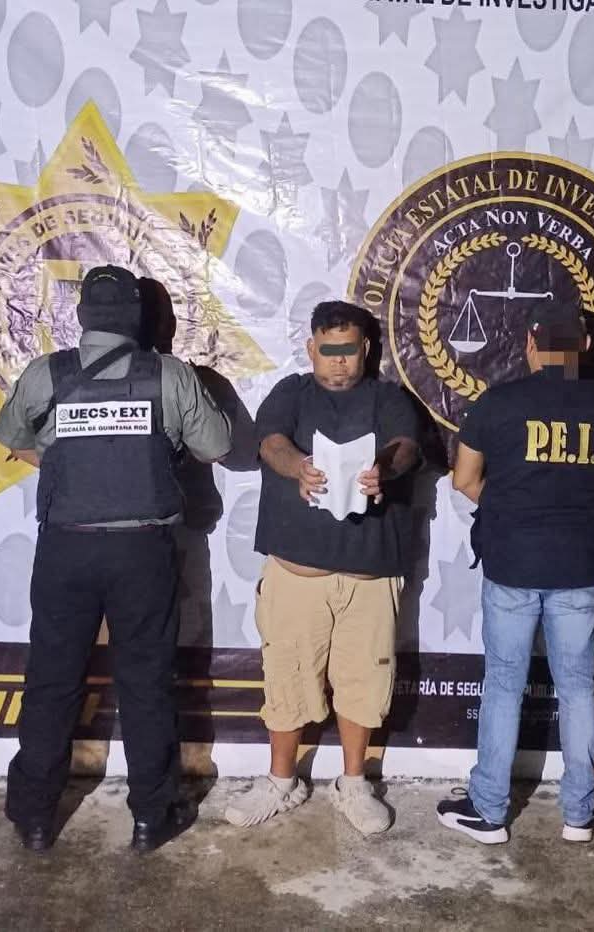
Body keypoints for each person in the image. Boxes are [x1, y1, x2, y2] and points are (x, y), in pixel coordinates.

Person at [0, 266, 232, 854]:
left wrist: (59, 453)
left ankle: (35, 818)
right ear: (137, 318)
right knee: (146, 684)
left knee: (51, 681)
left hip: (66, 547)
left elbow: (10, 435)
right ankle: (152, 816)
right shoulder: (169, 374)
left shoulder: (47, 373)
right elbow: (217, 446)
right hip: (141, 550)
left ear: (83, 317)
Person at [435, 304, 594, 845]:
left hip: (513, 563)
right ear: (583, 347)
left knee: (504, 685)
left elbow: (464, 479)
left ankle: (489, 810)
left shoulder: (497, 403)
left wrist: (511, 508)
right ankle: (579, 814)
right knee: (578, 688)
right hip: (581, 566)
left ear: (530, 343)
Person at [224, 300, 421, 836]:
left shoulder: (388, 398)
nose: (338, 361)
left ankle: (353, 783)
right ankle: (280, 782)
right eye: (328, 350)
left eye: (348, 350)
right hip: (297, 575)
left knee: (365, 682)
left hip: (369, 576)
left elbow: (406, 446)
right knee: (286, 678)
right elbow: (270, 443)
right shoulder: (290, 393)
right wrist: (298, 468)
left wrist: (385, 468)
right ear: (311, 348)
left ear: (366, 350)